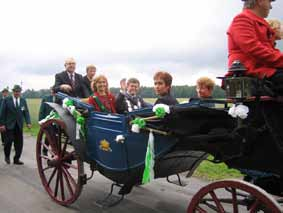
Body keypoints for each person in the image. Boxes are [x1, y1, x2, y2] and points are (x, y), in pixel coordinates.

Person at [225, 0, 283, 95]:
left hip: (262, 71)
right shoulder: (242, 19)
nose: (271, 7)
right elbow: (255, 49)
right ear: (260, 1)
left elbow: (269, 51)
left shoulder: (259, 23)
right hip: (250, 72)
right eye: (269, 2)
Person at [0, 85, 32, 165]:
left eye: (18, 91)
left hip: (19, 125)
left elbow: (26, 112)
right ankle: (7, 156)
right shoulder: (7, 100)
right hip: (9, 125)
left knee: (19, 144)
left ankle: (16, 159)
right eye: (16, 91)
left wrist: (28, 122)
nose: (17, 93)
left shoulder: (23, 101)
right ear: (13, 91)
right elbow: (2, 113)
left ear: (20, 92)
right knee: (8, 142)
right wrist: (2, 124)